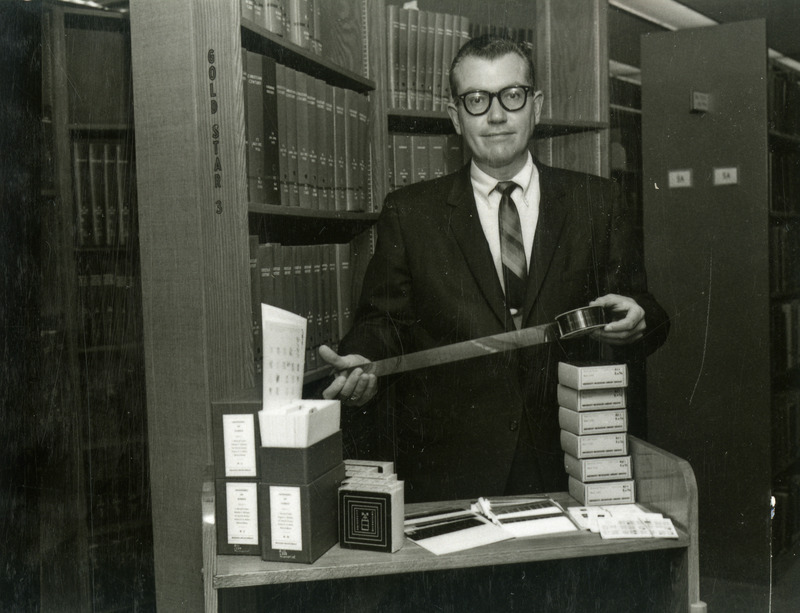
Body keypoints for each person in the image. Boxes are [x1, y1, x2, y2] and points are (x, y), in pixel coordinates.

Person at [318, 35, 669, 503]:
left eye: (512, 95)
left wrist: (637, 320)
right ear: (455, 116)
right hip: (453, 468)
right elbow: (383, 322)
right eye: (477, 100)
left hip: (570, 460)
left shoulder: (597, 202)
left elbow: (647, 311)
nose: (497, 115)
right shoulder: (411, 212)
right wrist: (363, 360)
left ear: (535, 106)